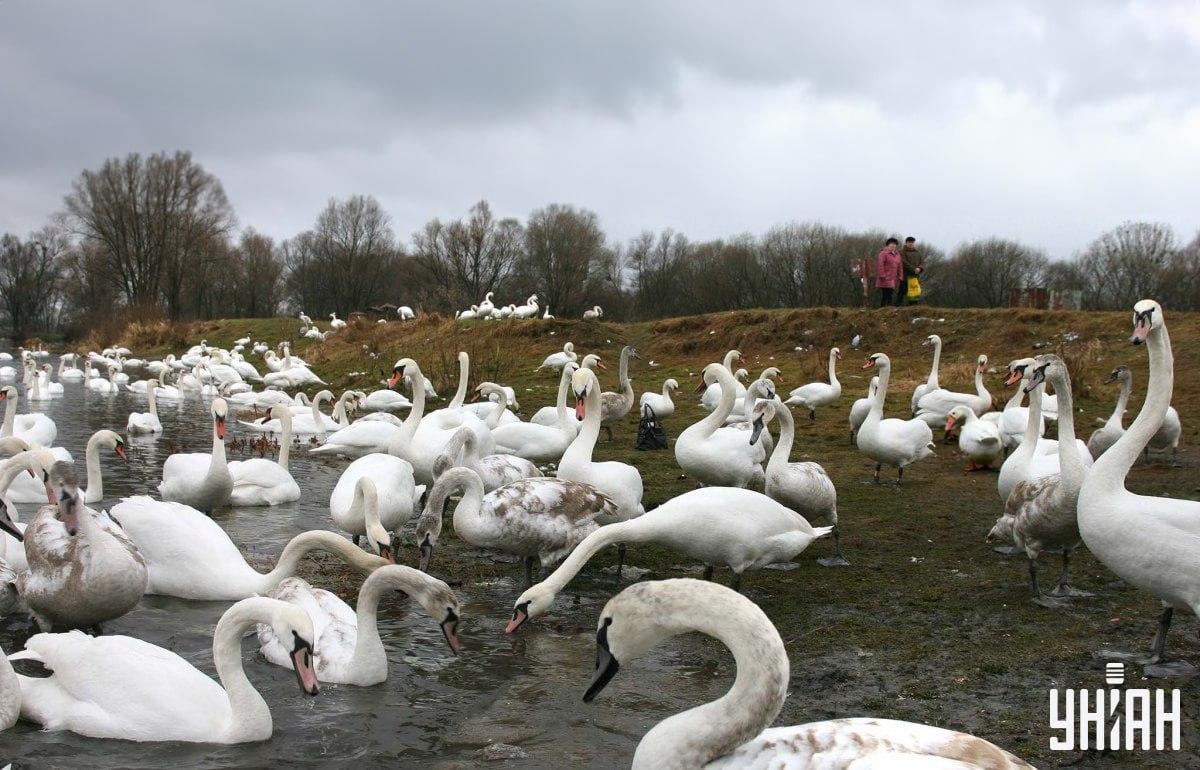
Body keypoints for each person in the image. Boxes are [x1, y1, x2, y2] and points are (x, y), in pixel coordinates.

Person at [875, 238, 903, 308]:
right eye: (891, 244)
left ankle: (884, 308)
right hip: (885, 277)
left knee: (888, 293)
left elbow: (900, 266)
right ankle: (888, 308)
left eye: (895, 244)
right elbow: (880, 264)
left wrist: (900, 276)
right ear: (888, 245)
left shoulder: (897, 255)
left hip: (893, 278)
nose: (893, 245)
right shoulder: (883, 253)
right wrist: (882, 275)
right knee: (888, 293)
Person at [898, 236, 925, 305]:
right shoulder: (901, 252)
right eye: (909, 242)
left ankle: (913, 307)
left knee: (915, 293)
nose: (911, 244)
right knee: (902, 293)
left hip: (915, 277)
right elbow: (903, 262)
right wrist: (914, 269)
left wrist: (920, 268)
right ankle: (898, 307)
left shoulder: (918, 252)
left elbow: (922, 262)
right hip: (905, 277)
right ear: (906, 243)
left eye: (912, 242)